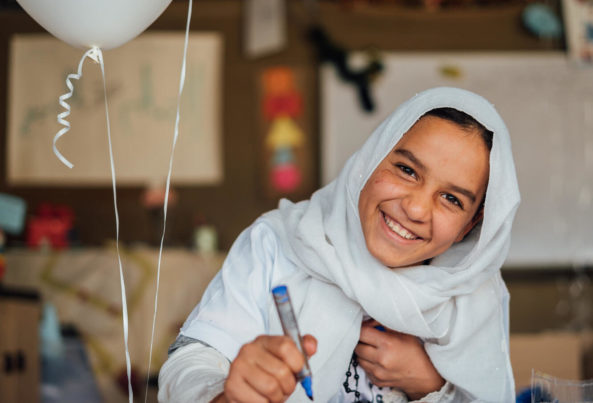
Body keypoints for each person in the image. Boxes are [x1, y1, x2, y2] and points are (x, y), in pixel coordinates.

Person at [158, 86, 520, 402]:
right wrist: (228, 396)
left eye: (452, 200)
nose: (414, 207)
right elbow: (190, 365)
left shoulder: (476, 295)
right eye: (406, 170)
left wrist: (429, 384)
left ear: (471, 224)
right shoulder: (279, 243)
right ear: (372, 158)